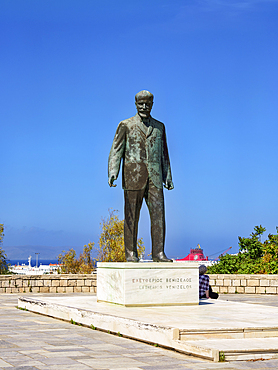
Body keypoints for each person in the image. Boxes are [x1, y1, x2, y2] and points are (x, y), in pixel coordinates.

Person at [108, 90, 174, 262]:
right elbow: (116, 150)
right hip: (132, 177)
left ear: (152, 104)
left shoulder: (160, 127)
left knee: (159, 217)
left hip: (155, 177)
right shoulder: (126, 125)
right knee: (131, 217)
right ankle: (131, 254)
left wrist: (168, 175)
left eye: (148, 104)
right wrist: (113, 171)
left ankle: (159, 254)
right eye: (141, 104)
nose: (144, 107)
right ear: (136, 104)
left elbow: (164, 154)